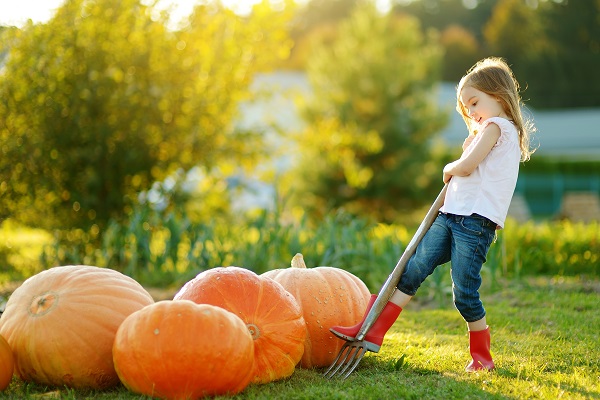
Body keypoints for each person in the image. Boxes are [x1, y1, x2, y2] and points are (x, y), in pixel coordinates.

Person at [330, 57, 535, 372]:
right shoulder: (486, 131)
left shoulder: (498, 127)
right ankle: (372, 331)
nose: (470, 111)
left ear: (498, 95)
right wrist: (469, 147)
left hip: (475, 223)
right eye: (466, 107)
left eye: (474, 102)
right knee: (412, 270)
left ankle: (482, 357)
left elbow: (465, 168)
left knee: (464, 293)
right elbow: (473, 167)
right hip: (451, 214)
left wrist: (449, 166)